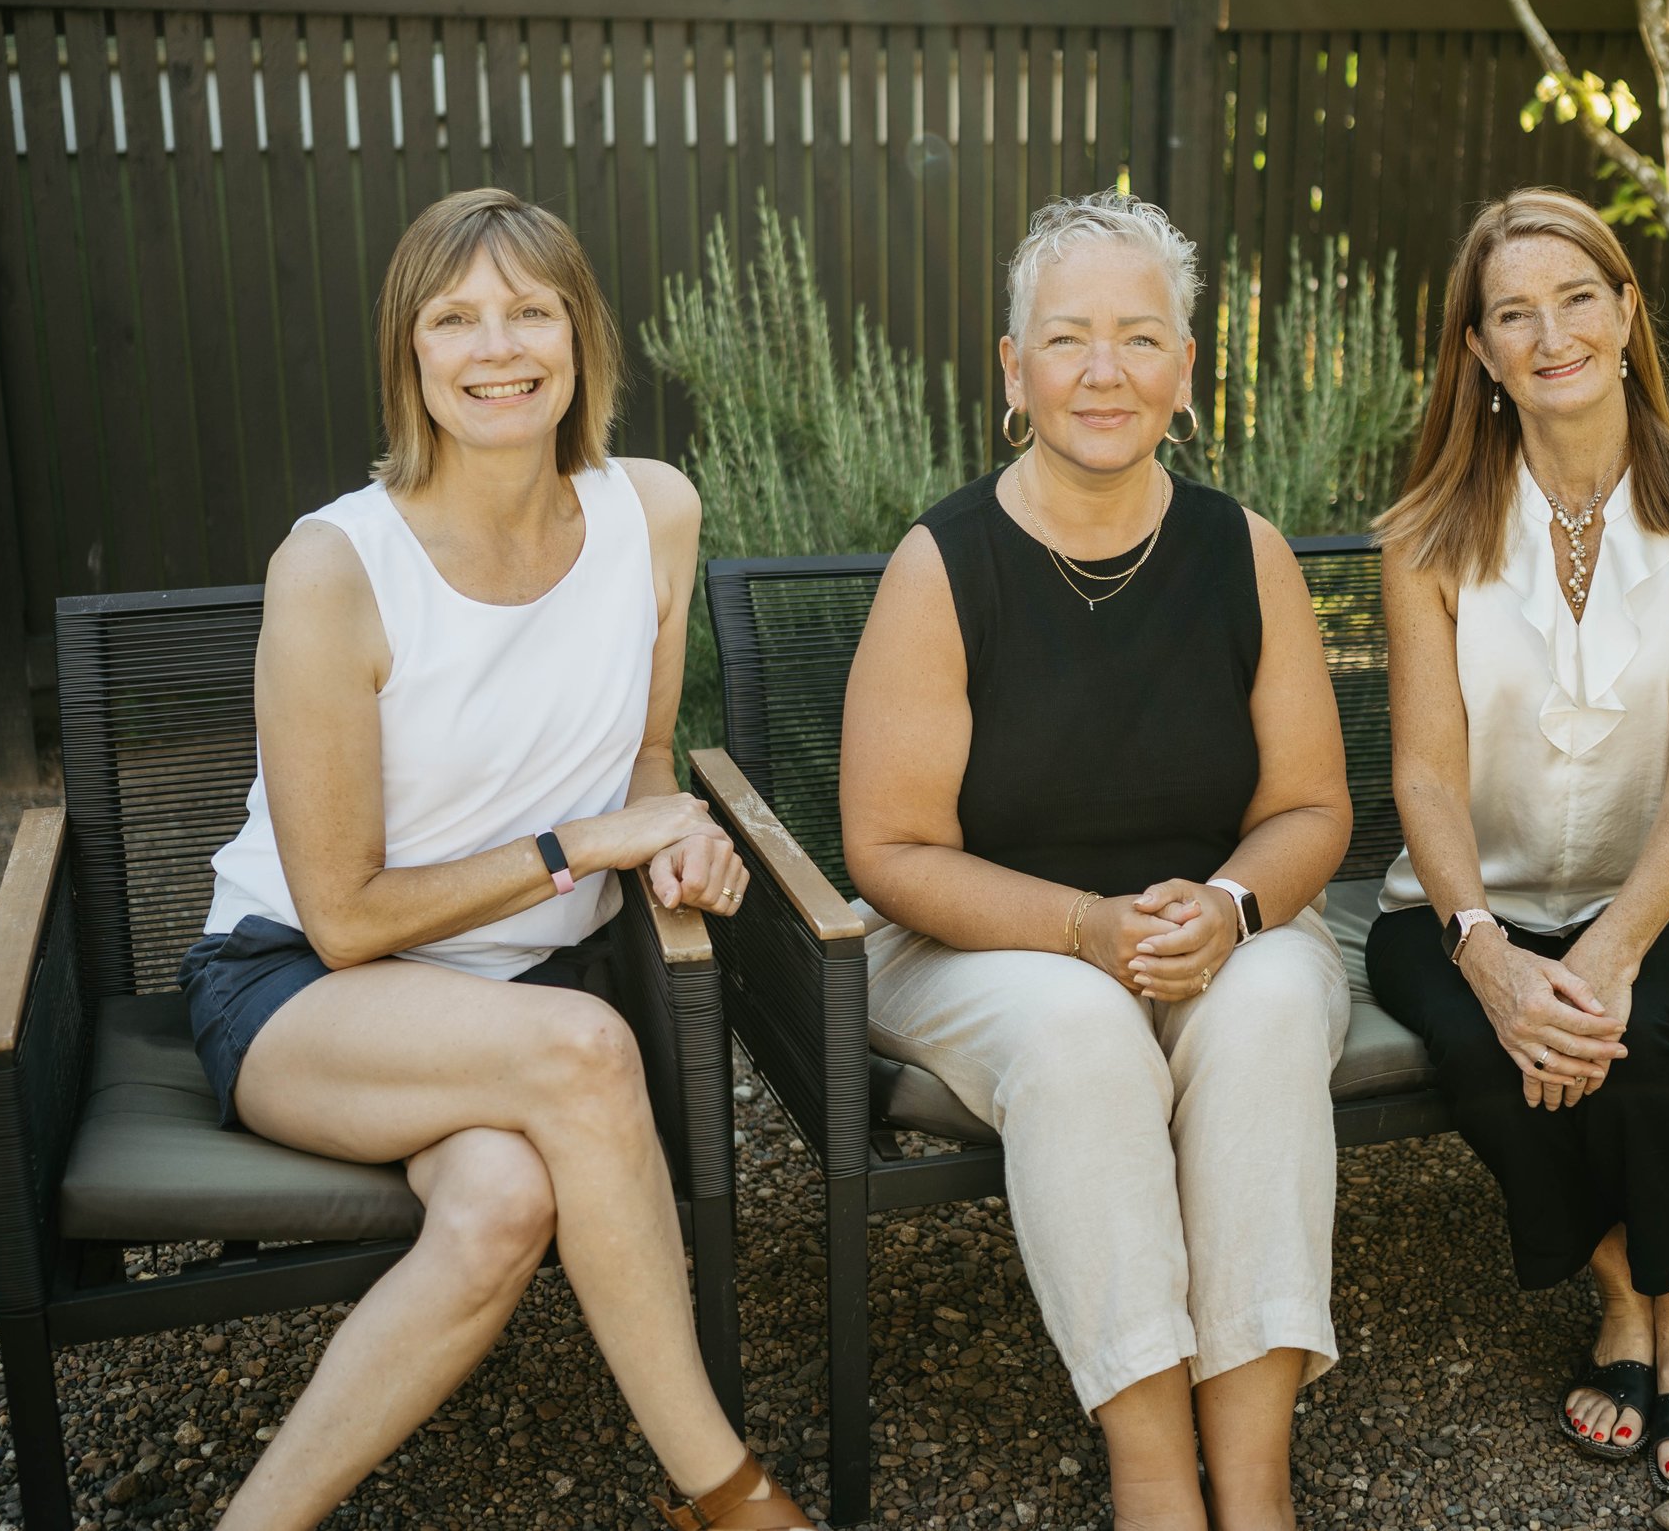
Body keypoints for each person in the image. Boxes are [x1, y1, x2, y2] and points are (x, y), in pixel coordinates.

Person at [178, 187, 808, 1530]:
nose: (495, 345)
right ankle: (729, 1493)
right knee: (584, 1052)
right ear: (411, 353)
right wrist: (586, 845)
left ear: (584, 339)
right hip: (298, 989)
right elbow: (344, 920)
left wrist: (675, 839)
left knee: (501, 1205)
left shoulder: (653, 513)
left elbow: (642, 757)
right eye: (453, 316)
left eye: (530, 309)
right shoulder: (336, 569)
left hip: (494, 1004)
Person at [838, 190, 1353, 1531]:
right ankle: (1151, 1482)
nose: (1104, 371)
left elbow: (1309, 808)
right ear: (1013, 371)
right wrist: (1082, 928)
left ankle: (1254, 1481)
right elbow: (888, 846)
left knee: (1281, 1004)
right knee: (1077, 1029)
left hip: (1207, 925)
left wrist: (1235, 909)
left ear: (1187, 371)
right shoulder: (942, 566)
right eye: (1067, 339)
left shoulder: (1247, 555)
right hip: (980, 943)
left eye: (1141, 338)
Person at [1363, 188, 1669, 1502]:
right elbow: (1426, 777)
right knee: (1496, 1050)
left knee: (1643, 1035)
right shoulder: (1426, 534)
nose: (1552, 334)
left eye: (1577, 298)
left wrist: (1609, 949)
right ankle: (1636, 1289)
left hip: (1660, 900)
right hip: (1456, 907)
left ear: (1628, 313)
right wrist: (1488, 953)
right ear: (1480, 354)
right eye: (1513, 314)